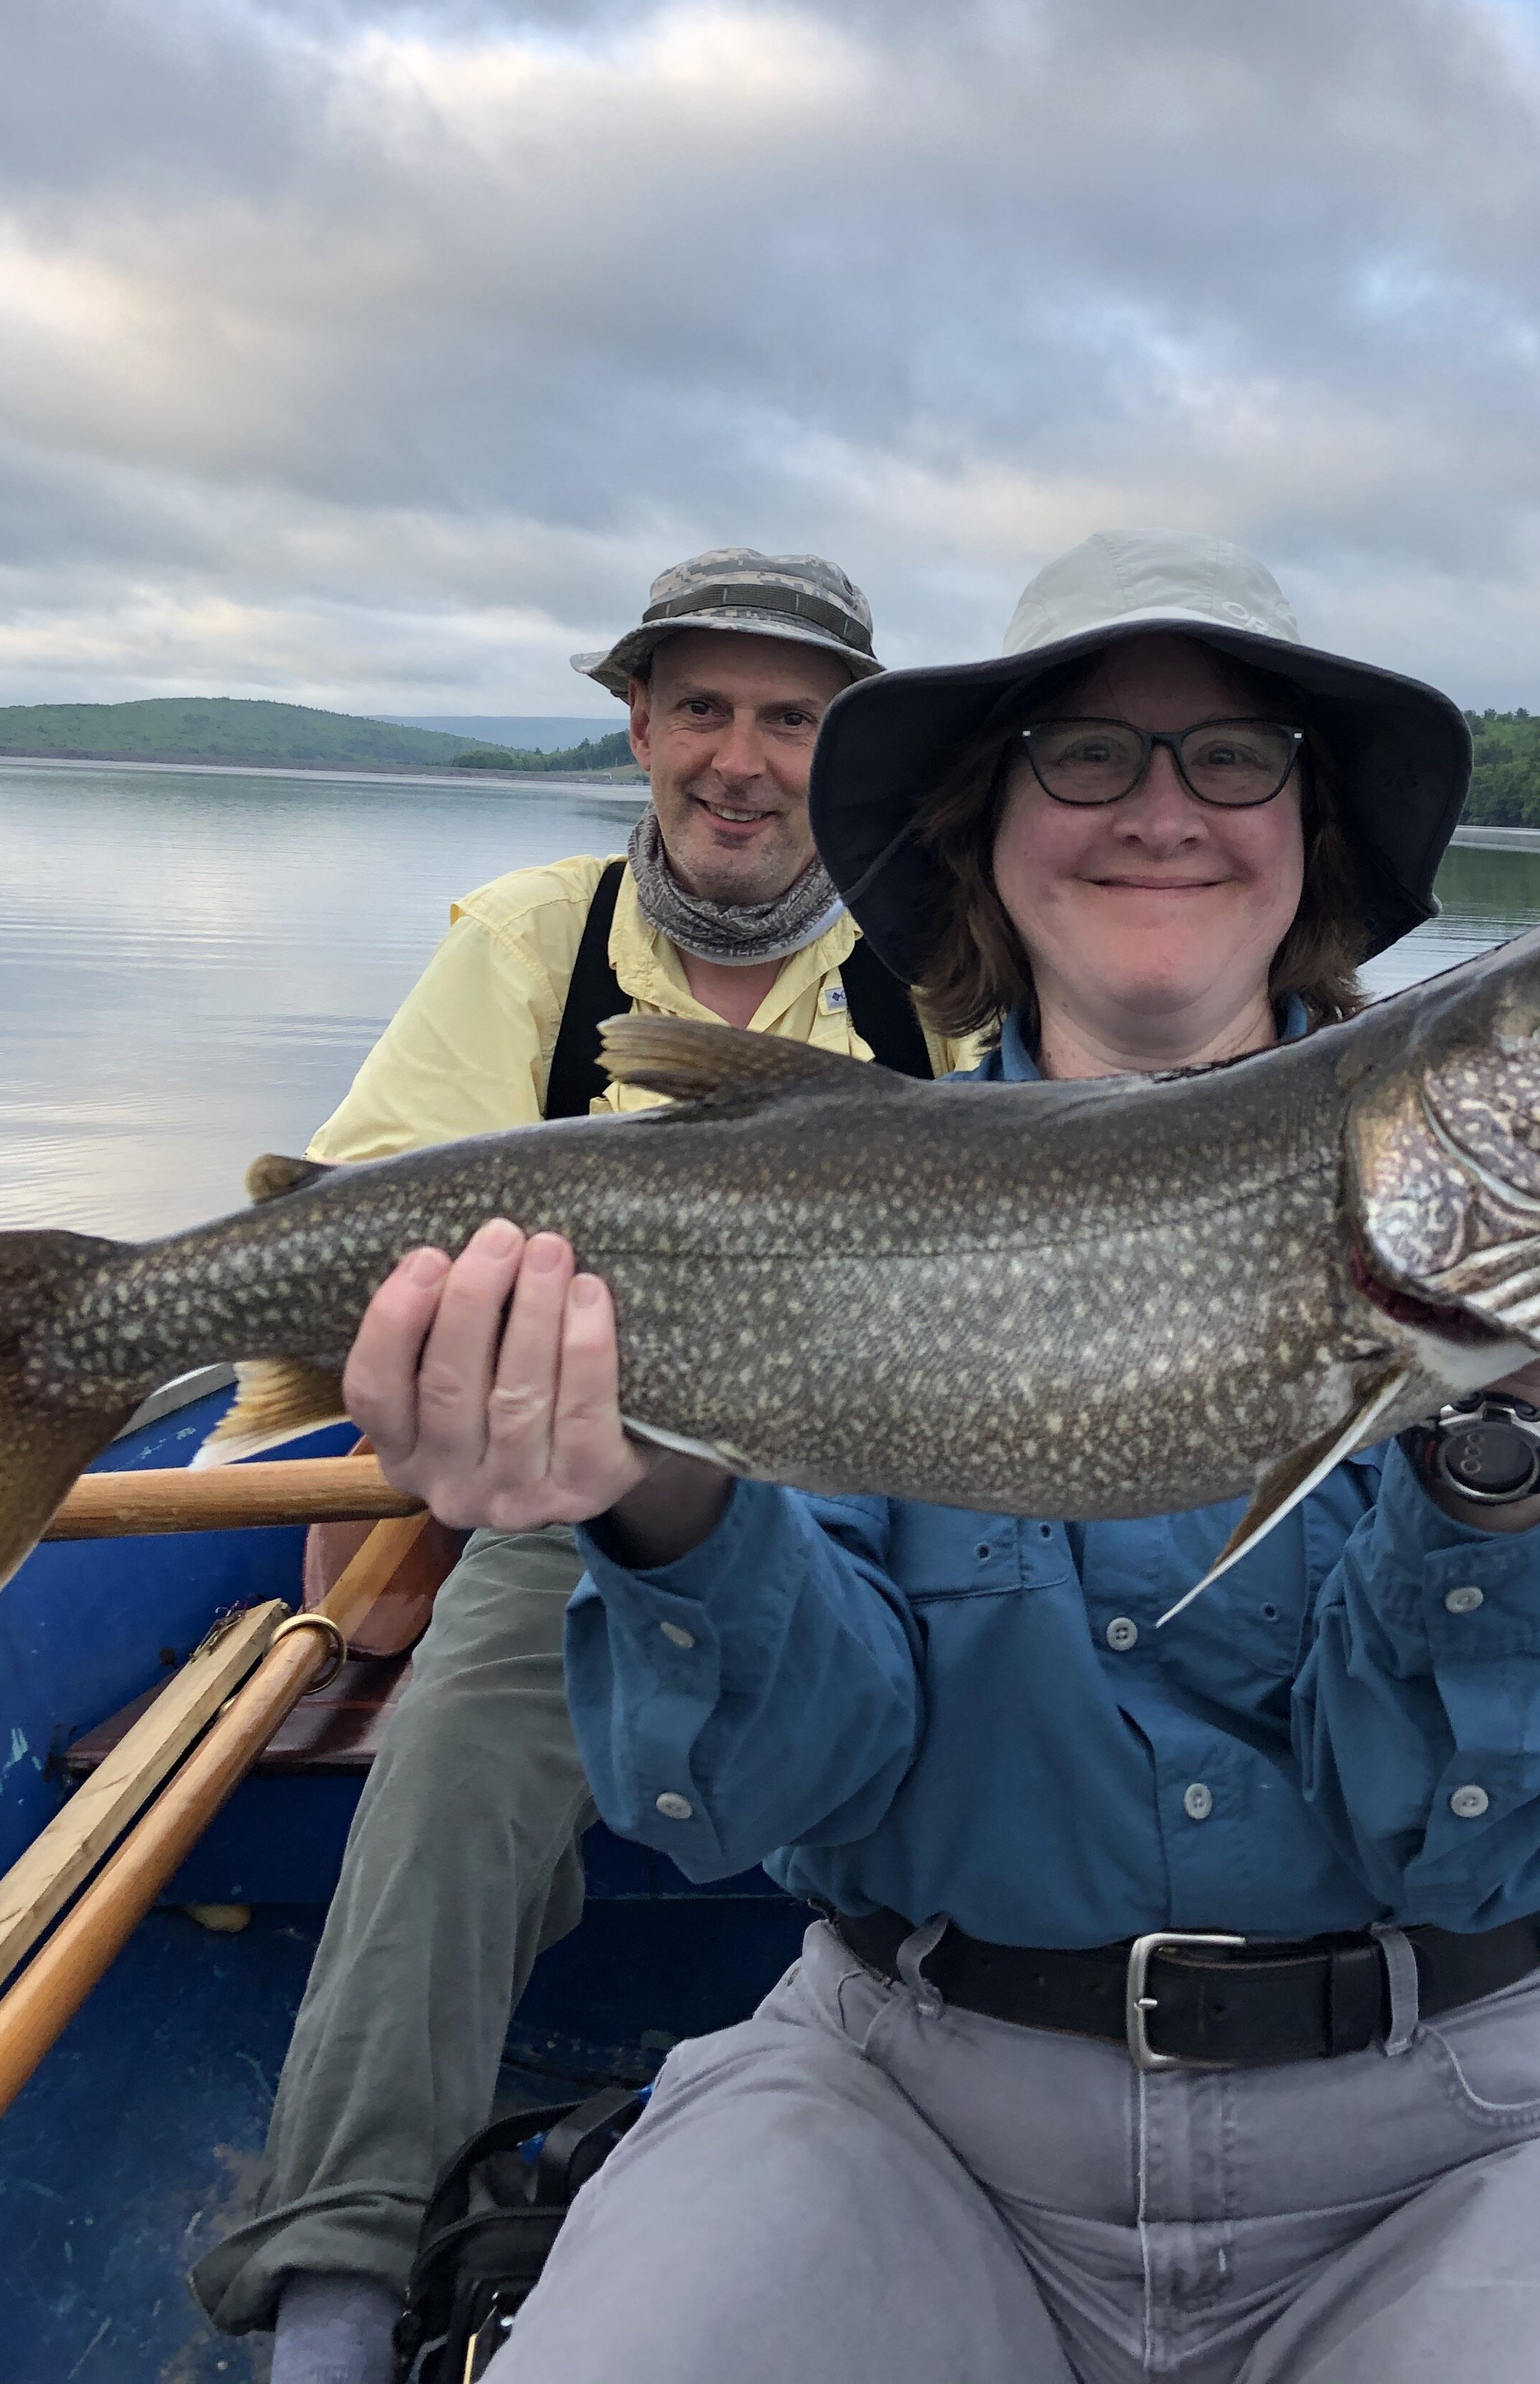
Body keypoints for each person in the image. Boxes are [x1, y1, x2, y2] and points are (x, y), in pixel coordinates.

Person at [337, 529, 1540, 2379]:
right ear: (983, 829)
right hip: (904, 2108)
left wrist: (1502, 1447)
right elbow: (751, 1807)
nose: (1162, 809)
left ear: (1308, 830)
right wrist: (661, 1501)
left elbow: (1501, 1844)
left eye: (1234, 756)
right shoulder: (842, 1204)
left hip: (1456, 2144)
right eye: (1085, 755)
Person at [192, 548, 962, 2384]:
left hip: (924, 1491)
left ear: (850, 748)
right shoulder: (530, 938)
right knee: (461, 1743)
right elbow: (356, 1228)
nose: (740, 758)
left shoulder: (949, 961)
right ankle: (336, 2288)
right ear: (635, 722)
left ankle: (980, 2154)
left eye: (794, 718)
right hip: (583, 1494)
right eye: (701, 707)